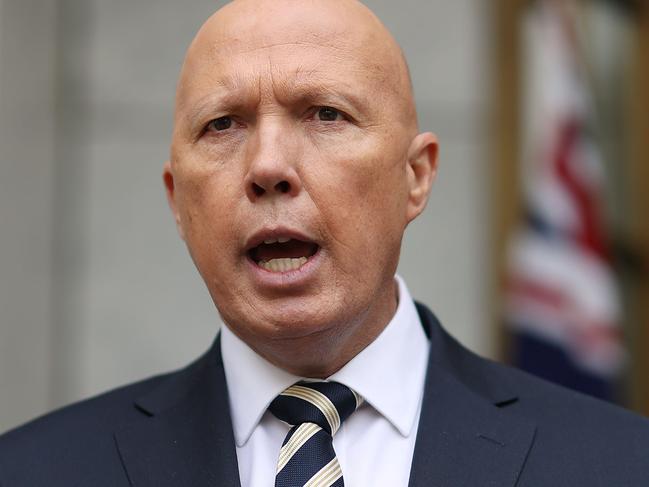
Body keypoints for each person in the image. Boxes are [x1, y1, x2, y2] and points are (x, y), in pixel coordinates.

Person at [1, 0, 648, 485]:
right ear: (177, 200)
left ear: (414, 177)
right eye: (223, 124)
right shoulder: (35, 469)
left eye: (325, 114)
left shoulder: (618, 463)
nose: (267, 166)